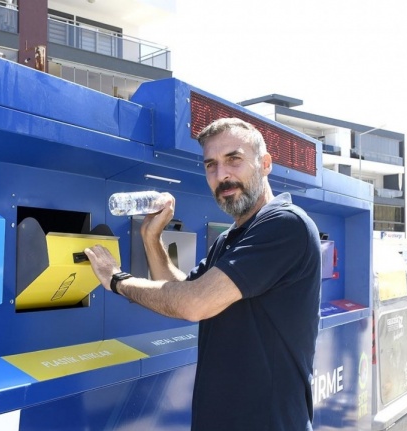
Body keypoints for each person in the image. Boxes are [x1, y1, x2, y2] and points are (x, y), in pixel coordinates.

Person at [85, 117, 321, 431]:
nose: (222, 175)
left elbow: (193, 303)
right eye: (211, 165)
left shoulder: (285, 224)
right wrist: (150, 238)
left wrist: (117, 280)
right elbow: (182, 290)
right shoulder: (229, 239)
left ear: (265, 164)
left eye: (234, 160)